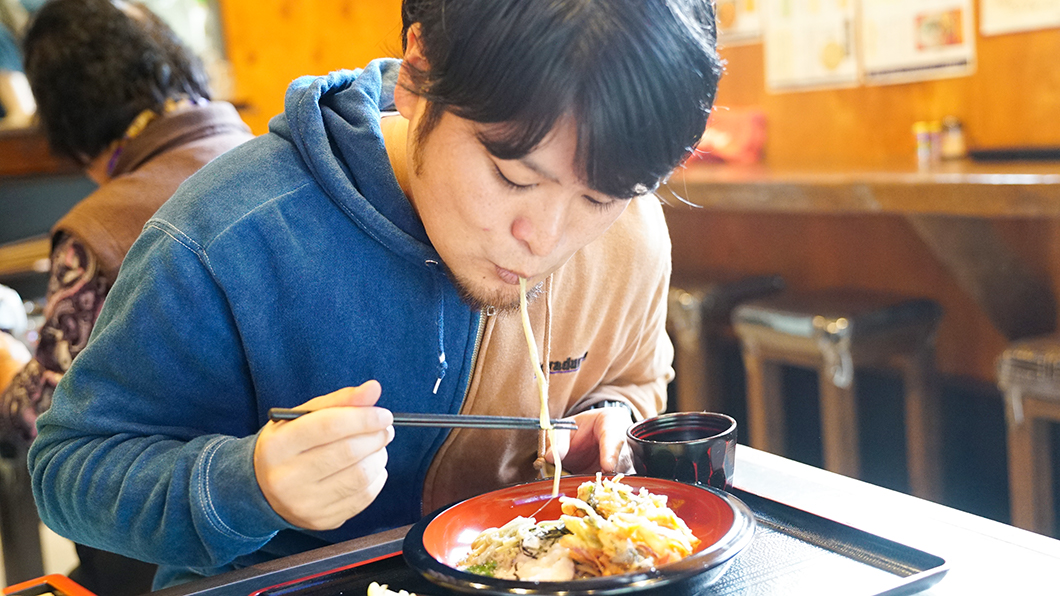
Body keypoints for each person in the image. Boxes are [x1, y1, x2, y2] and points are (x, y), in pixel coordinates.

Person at [29, 0, 722, 588]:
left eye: (600, 196)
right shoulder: (229, 235)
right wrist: (251, 483)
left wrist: (607, 416)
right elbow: (67, 471)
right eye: (514, 177)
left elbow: (636, 376)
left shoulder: (632, 230)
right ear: (418, 75)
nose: (544, 238)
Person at [3, 0, 252, 592]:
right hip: (300, 527)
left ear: (68, 111)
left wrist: (10, 364)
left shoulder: (97, 230)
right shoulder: (269, 156)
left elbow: (46, 426)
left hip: (176, 546)